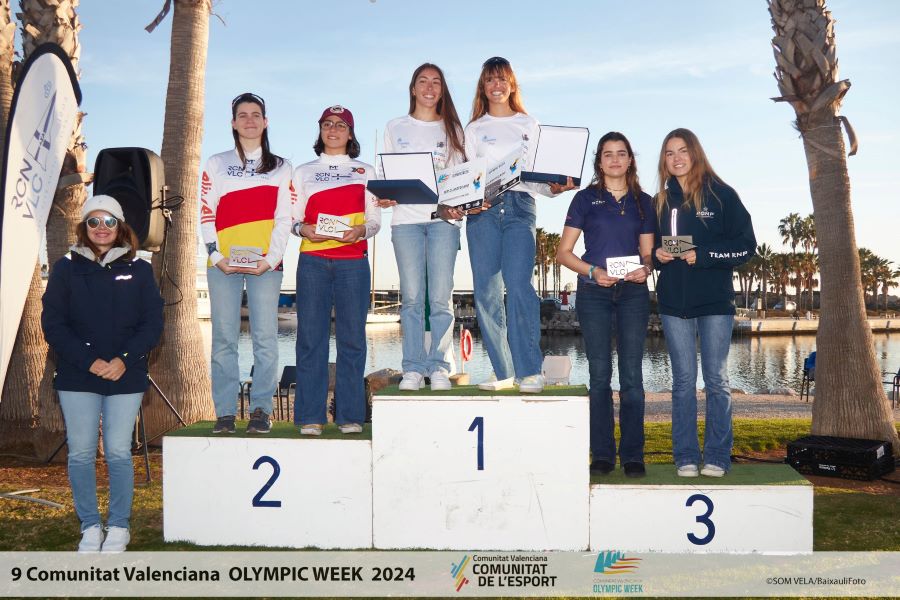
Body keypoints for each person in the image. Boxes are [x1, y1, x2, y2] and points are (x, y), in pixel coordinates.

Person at [41, 195, 163, 552]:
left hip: (126, 374)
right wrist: (89, 361)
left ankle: (119, 527)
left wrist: (124, 359)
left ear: (121, 226)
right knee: (80, 453)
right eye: (94, 221)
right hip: (78, 375)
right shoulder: (65, 267)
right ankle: (91, 527)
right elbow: (53, 323)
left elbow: (152, 323)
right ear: (84, 227)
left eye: (109, 221)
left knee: (118, 452)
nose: (101, 228)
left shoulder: (140, 269)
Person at [464, 56, 574, 394]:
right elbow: (467, 178)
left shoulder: (530, 123)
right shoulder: (474, 129)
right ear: (483, 87)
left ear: (512, 85)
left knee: (520, 286)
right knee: (486, 293)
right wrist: (470, 200)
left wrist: (554, 188)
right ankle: (504, 372)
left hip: (520, 207)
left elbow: (539, 179)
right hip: (483, 212)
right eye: (490, 80)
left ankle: (530, 371)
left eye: (502, 79)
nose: (496, 85)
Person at [653, 128, 756, 478]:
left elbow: (746, 246)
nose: (677, 158)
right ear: (663, 160)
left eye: (683, 151)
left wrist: (705, 254)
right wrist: (656, 255)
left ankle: (716, 456)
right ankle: (684, 456)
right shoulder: (660, 201)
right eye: (669, 153)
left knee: (717, 380)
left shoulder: (722, 195)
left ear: (695, 154)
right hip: (673, 304)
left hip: (715, 303)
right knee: (682, 382)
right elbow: (649, 248)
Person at [556, 132, 654, 478]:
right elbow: (563, 253)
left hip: (632, 294)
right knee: (599, 376)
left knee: (631, 377)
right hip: (593, 292)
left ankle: (632, 456)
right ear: (599, 162)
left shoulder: (645, 202)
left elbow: (647, 252)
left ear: (630, 160)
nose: (614, 160)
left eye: (621, 154)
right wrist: (594, 272)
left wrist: (647, 267)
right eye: (608, 154)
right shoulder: (585, 199)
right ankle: (601, 454)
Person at [200, 92, 293, 435]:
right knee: (224, 337)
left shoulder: (282, 166)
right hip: (223, 264)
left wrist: (270, 260)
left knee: (265, 338)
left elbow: (285, 218)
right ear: (234, 123)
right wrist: (216, 255)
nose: (250, 120)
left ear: (265, 122)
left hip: (265, 266)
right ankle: (225, 413)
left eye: (256, 114)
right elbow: (206, 213)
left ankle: (261, 410)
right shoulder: (216, 163)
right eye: (243, 115)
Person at [376, 63, 466, 392]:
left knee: (441, 299)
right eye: (423, 81)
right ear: (413, 88)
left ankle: (439, 367)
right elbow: (385, 173)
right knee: (412, 299)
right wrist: (384, 195)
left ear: (442, 90)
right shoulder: (395, 126)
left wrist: (456, 207)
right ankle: (413, 368)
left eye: (436, 82)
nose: (429, 87)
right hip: (405, 222)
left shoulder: (453, 128)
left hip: (443, 224)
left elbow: (462, 180)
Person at [292, 105, 381, 435]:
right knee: (311, 340)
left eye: (341, 125)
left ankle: (350, 416)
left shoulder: (366, 171)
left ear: (350, 133)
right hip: (313, 262)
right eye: (327, 124)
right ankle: (310, 417)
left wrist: (362, 231)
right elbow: (293, 219)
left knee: (353, 342)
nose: (334, 129)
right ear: (320, 130)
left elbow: (374, 221)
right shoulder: (303, 172)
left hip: (353, 264)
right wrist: (304, 230)